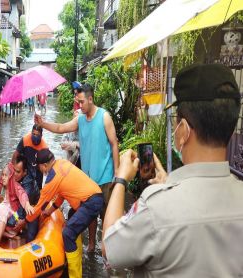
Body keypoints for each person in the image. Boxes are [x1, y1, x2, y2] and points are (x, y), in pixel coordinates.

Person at [102, 64, 243, 276]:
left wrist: (121, 179)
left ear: (184, 130)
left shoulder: (154, 207)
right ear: (230, 131)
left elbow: (108, 248)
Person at [34, 83, 119, 252]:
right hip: (88, 178)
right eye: (78, 102)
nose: (79, 105)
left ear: (90, 98)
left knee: (107, 215)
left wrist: (117, 172)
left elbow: (114, 144)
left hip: (106, 176)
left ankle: (110, 249)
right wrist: (43, 124)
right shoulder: (80, 119)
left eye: (81, 102)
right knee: (90, 215)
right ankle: (93, 244)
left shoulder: (104, 116)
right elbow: (60, 128)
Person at [26, 149, 104, 278]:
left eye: (39, 167)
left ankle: (75, 275)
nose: (39, 170)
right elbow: (61, 195)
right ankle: (76, 254)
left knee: (67, 233)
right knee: (72, 216)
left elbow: (39, 208)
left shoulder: (52, 178)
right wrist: (49, 212)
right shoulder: (62, 163)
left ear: (44, 165)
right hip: (95, 196)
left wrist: (24, 221)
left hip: (90, 202)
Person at [0, 163, 34, 246]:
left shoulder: (16, 185)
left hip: (14, 212)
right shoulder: (3, 183)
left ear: (10, 176)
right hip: (6, 205)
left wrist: (27, 204)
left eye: (5, 175)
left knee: (2, 211)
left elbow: (23, 195)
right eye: (2, 175)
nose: (3, 177)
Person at [11, 154, 40, 242]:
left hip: (32, 210)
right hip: (19, 207)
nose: (15, 174)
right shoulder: (13, 177)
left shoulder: (28, 188)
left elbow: (22, 212)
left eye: (18, 172)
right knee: (9, 222)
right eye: (14, 170)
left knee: (30, 236)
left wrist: (21, 220)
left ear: (25, 172)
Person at [12, 124, 48, 190]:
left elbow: (45, 167)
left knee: (38, 189)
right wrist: (12, 169)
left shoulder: (44, 148)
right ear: (31, 133)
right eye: (33, 134)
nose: (35, 136)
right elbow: (15, 154)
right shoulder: (25, 140)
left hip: (37, 170)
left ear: (41, 135)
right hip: (26, 166)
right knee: (20, 186)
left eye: (37, 135)